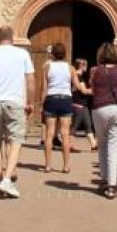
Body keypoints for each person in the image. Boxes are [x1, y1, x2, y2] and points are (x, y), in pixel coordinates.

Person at [0, 25, 35, 198]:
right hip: (15, 102)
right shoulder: (22, 54)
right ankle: (7, 179)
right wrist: (30, 102)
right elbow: (30, 80)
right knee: (15, 140)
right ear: (13, 38)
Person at [89, 42, 117, 199]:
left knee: (102, 144)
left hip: (99, 108)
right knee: (113, 146)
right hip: (116, 108)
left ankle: (104, 180)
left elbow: (93, 89)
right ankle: (112, 185)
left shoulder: (95, 70)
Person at [40, 41, 75, 173]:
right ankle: (65, 166)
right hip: (65, 99)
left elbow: (44, 88)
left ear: (53, 54)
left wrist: (42, 104)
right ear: (64, 54)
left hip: (52, 99)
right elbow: (76, 85)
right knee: (65, 134)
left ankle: (48, 165)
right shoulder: (70, 68)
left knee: (49, 134)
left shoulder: (47, 68)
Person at [70, 57, 96, 150]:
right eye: (85, 64)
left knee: (88, 125)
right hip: (78, 104)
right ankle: (69, 144)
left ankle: (93, 145)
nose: (87, 66)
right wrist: (96, 91)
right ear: (80, 65)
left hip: (83, 104)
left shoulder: (81, 77)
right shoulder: (77, 76)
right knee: (75, 126)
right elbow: (83, 91)